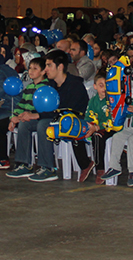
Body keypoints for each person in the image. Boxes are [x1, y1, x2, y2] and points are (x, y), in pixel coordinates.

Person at [5, 49, 90, 182]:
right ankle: (23, 164)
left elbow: (66, 110)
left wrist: (36, 116)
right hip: (55, 118)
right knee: (25, 124)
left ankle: (48, 168)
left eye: (49, 65)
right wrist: (23, 115)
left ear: (60, 67)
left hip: (72, 121)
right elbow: (43, 106)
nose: (46, 69)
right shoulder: (50, 85)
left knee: (43, 124)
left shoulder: (74, 85)